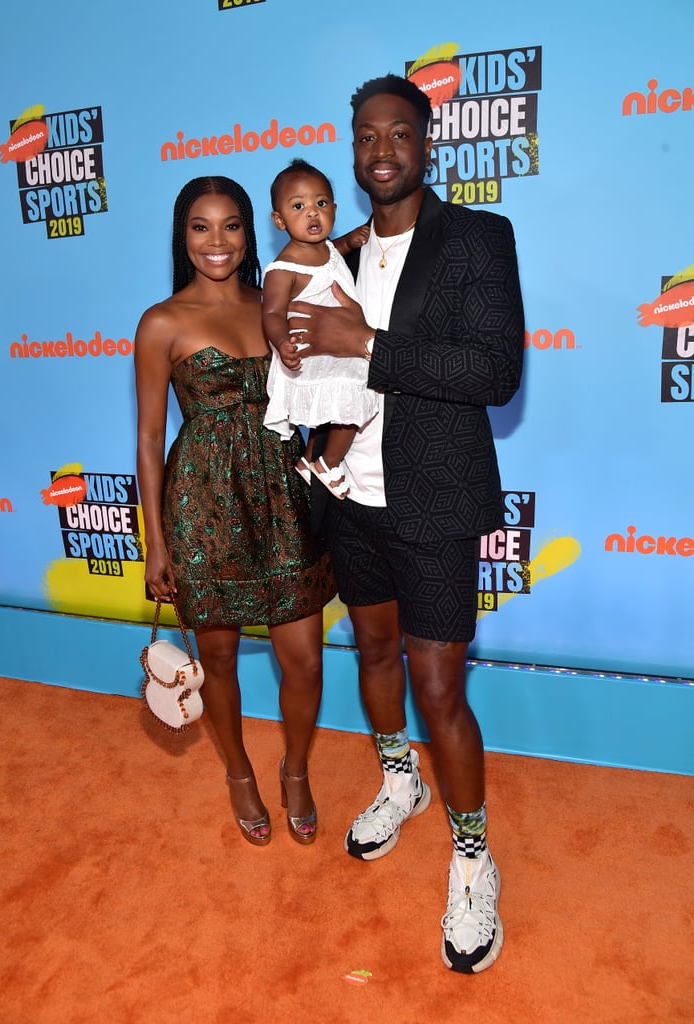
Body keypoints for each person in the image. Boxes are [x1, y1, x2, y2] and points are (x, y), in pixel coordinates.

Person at [288, 75, 525, 972]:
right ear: (352, 151)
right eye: (364, 136)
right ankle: (399, 778)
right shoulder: (335, 251)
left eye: (398, 134)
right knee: (376, 658)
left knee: (439, 688)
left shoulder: (477, 238)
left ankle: (473, 854)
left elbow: (495, 369)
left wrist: (369, 346)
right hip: (351, 498)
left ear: (427, 146)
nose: (380, 150)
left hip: (434, 499)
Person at [134, 176, 337, 848]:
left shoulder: (278, 301)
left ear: (252, 231)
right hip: (203, 505)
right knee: (216, 659)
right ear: (182, 235)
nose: (216, 241)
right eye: (200, 226)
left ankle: (297, 768)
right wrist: (156, 545)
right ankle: (239, 774)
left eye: (230, 225)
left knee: (304, 659)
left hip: (282, 495)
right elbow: (147, 443)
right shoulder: (162, 321)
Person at [262, 159, 376, 499]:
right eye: (299, 206)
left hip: (335, 344)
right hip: (308, 351)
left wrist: (349, 243)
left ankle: (307, 461)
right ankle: (328, 462)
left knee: (326, 411)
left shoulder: (325, 247)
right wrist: (281, 342)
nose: (313, 213)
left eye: (321, 204)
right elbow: (271, 312)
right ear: (279, 220)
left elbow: (332, 256)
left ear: (335, 209)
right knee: (352, 400)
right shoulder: (282, 268)